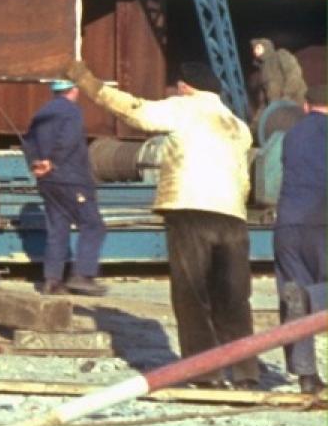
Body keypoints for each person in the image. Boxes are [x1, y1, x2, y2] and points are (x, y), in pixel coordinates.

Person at [66, 58, 257, 387]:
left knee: (192, 294)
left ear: (185, 86)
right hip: (233, 216)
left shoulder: (184, 108)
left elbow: (135, 110)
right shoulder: (238, 126)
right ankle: (245, 372)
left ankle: (205, 372)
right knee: (233, 296)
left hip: (189, 208)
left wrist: (87, 81)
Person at [22, 78, 107, 296]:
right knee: (93, 224)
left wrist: (36, 164)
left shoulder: (42, 112)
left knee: (57, 228)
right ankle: (83, 274)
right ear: (75, 90)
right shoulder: (72, 112)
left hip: (47, 181)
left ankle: (52, 281)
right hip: (71, 178)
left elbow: (28, 141)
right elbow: (68, 140)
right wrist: (53, 161)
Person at [275, 85, 327, 395]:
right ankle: (316, 299)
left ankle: (306, 376)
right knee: (310, 296)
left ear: (306, 106)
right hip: (323, 219)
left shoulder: (292, 135)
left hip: (289, 222)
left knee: (293, 292)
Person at [250, 38, 307, 111]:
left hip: (294, 100)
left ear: (266, 46)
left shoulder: (279, 55)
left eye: (258, 47)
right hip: (278, 107)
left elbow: (294, 73)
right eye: (254, 49)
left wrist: (287, 95)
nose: (255, 51)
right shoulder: (262, 69)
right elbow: (263, 98)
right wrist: (259, 118)